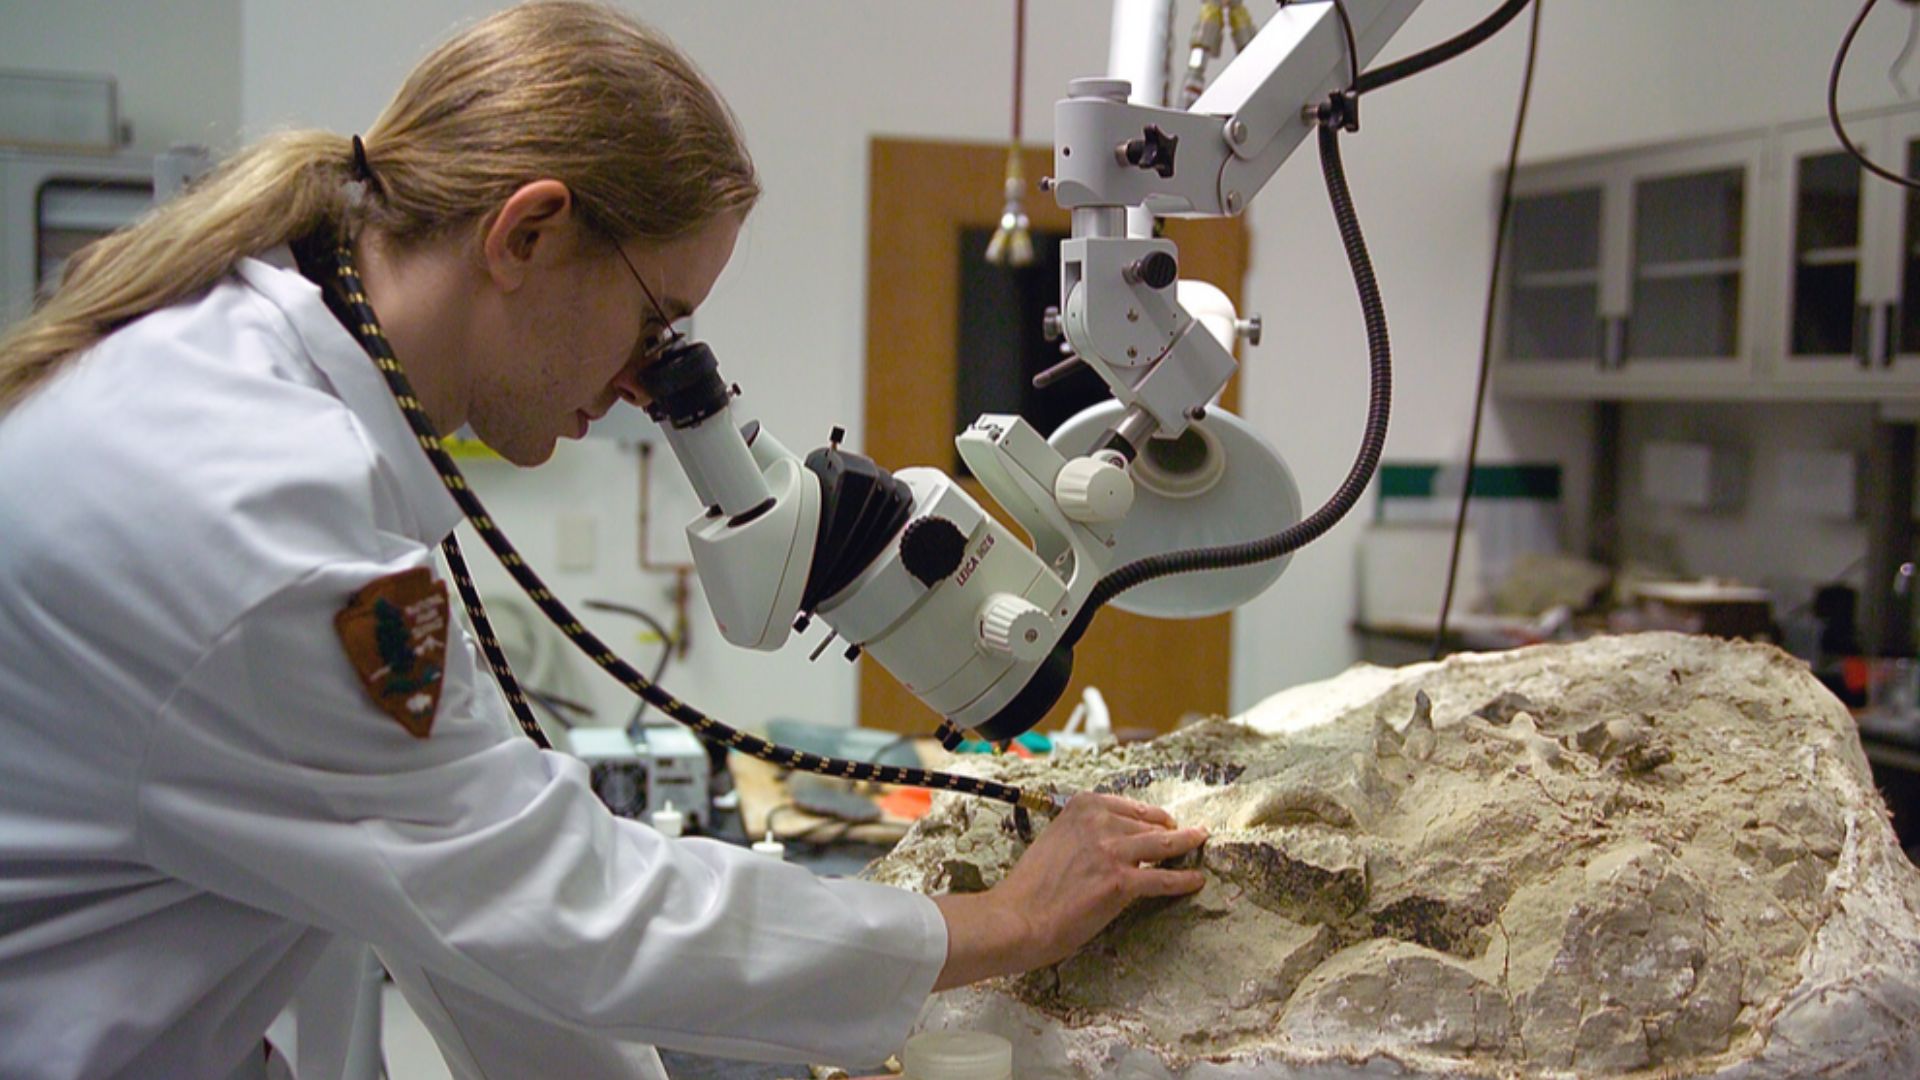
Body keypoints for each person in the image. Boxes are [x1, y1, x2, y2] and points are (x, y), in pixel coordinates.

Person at [0, 4, 1209, 1078]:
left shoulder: (276, 393)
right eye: (658, 319)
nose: (652, 381)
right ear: (527, 235)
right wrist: (1006, 923)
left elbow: (471, 900)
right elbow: (545, 904)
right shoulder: (259, 507)